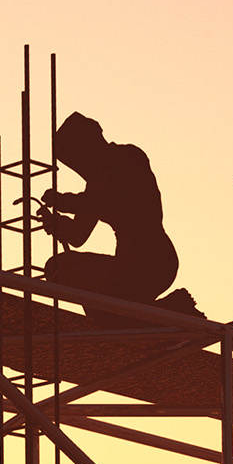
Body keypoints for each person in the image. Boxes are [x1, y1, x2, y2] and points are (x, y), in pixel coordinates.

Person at [39, 112, 202, 325]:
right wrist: (57, 223)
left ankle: (168, 311)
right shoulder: (95, 184)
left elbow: (110, 200)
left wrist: (65, 201)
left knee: (95, 298)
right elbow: (78, 235)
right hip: (126, 265)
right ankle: (152, 313)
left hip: (152, 262)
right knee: (60, 268)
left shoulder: (128, 158)